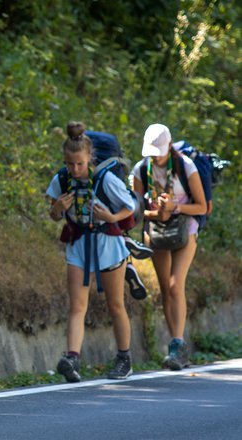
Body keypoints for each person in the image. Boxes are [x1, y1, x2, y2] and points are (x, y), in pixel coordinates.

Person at [47, 122, 136, 382]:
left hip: (108, 244)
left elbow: (129, 207)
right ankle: (72, 358)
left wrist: (110, 216)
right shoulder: (61, 179)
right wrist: (58, 209)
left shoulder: (105, 180)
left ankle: (124, 358)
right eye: (70, 164)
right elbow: (53, 214)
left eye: (80, 164)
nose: (75, 170)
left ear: (90, 159)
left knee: (115, 304)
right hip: (79, 245)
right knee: (77, 305)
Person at [132, 123, 206, 370]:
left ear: (169, 146)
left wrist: (174, 207)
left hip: (186, 228)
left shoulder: (186, 167)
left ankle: (178, 343)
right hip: (158, 231)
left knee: (176, 285)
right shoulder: (141, 170)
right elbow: (136, 212)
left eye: (160, 151)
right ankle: (175, 346)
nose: (156, 156)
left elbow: (202, 207)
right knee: (165, 288)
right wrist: (157, 212)